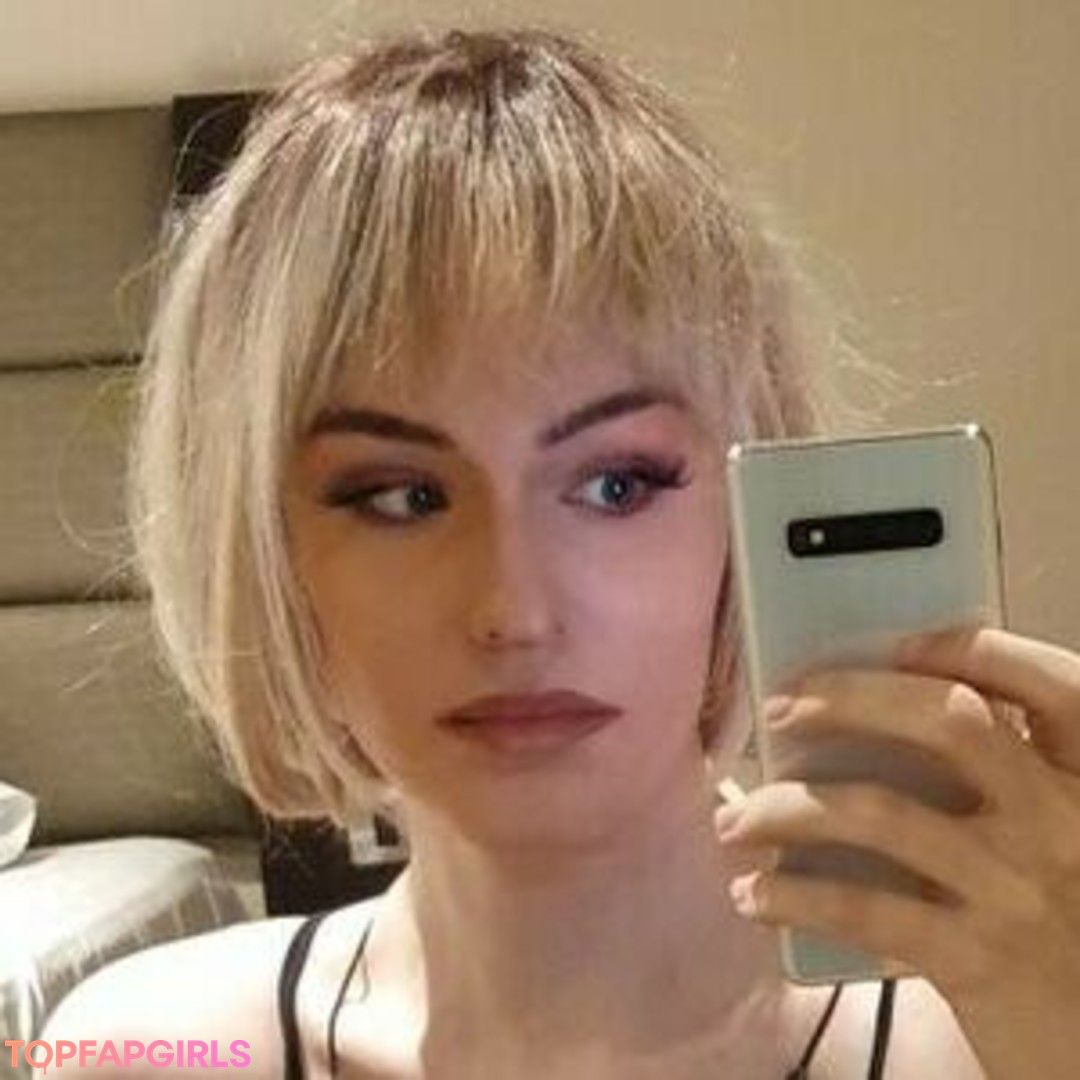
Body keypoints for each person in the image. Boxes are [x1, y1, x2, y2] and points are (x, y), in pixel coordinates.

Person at [43, 25, 1080, 1079]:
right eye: (402, 497)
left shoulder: (993, 1044)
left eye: (617, 484)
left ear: (745, 509)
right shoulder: (148, 1052)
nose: (516, 611)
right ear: (267, 546)